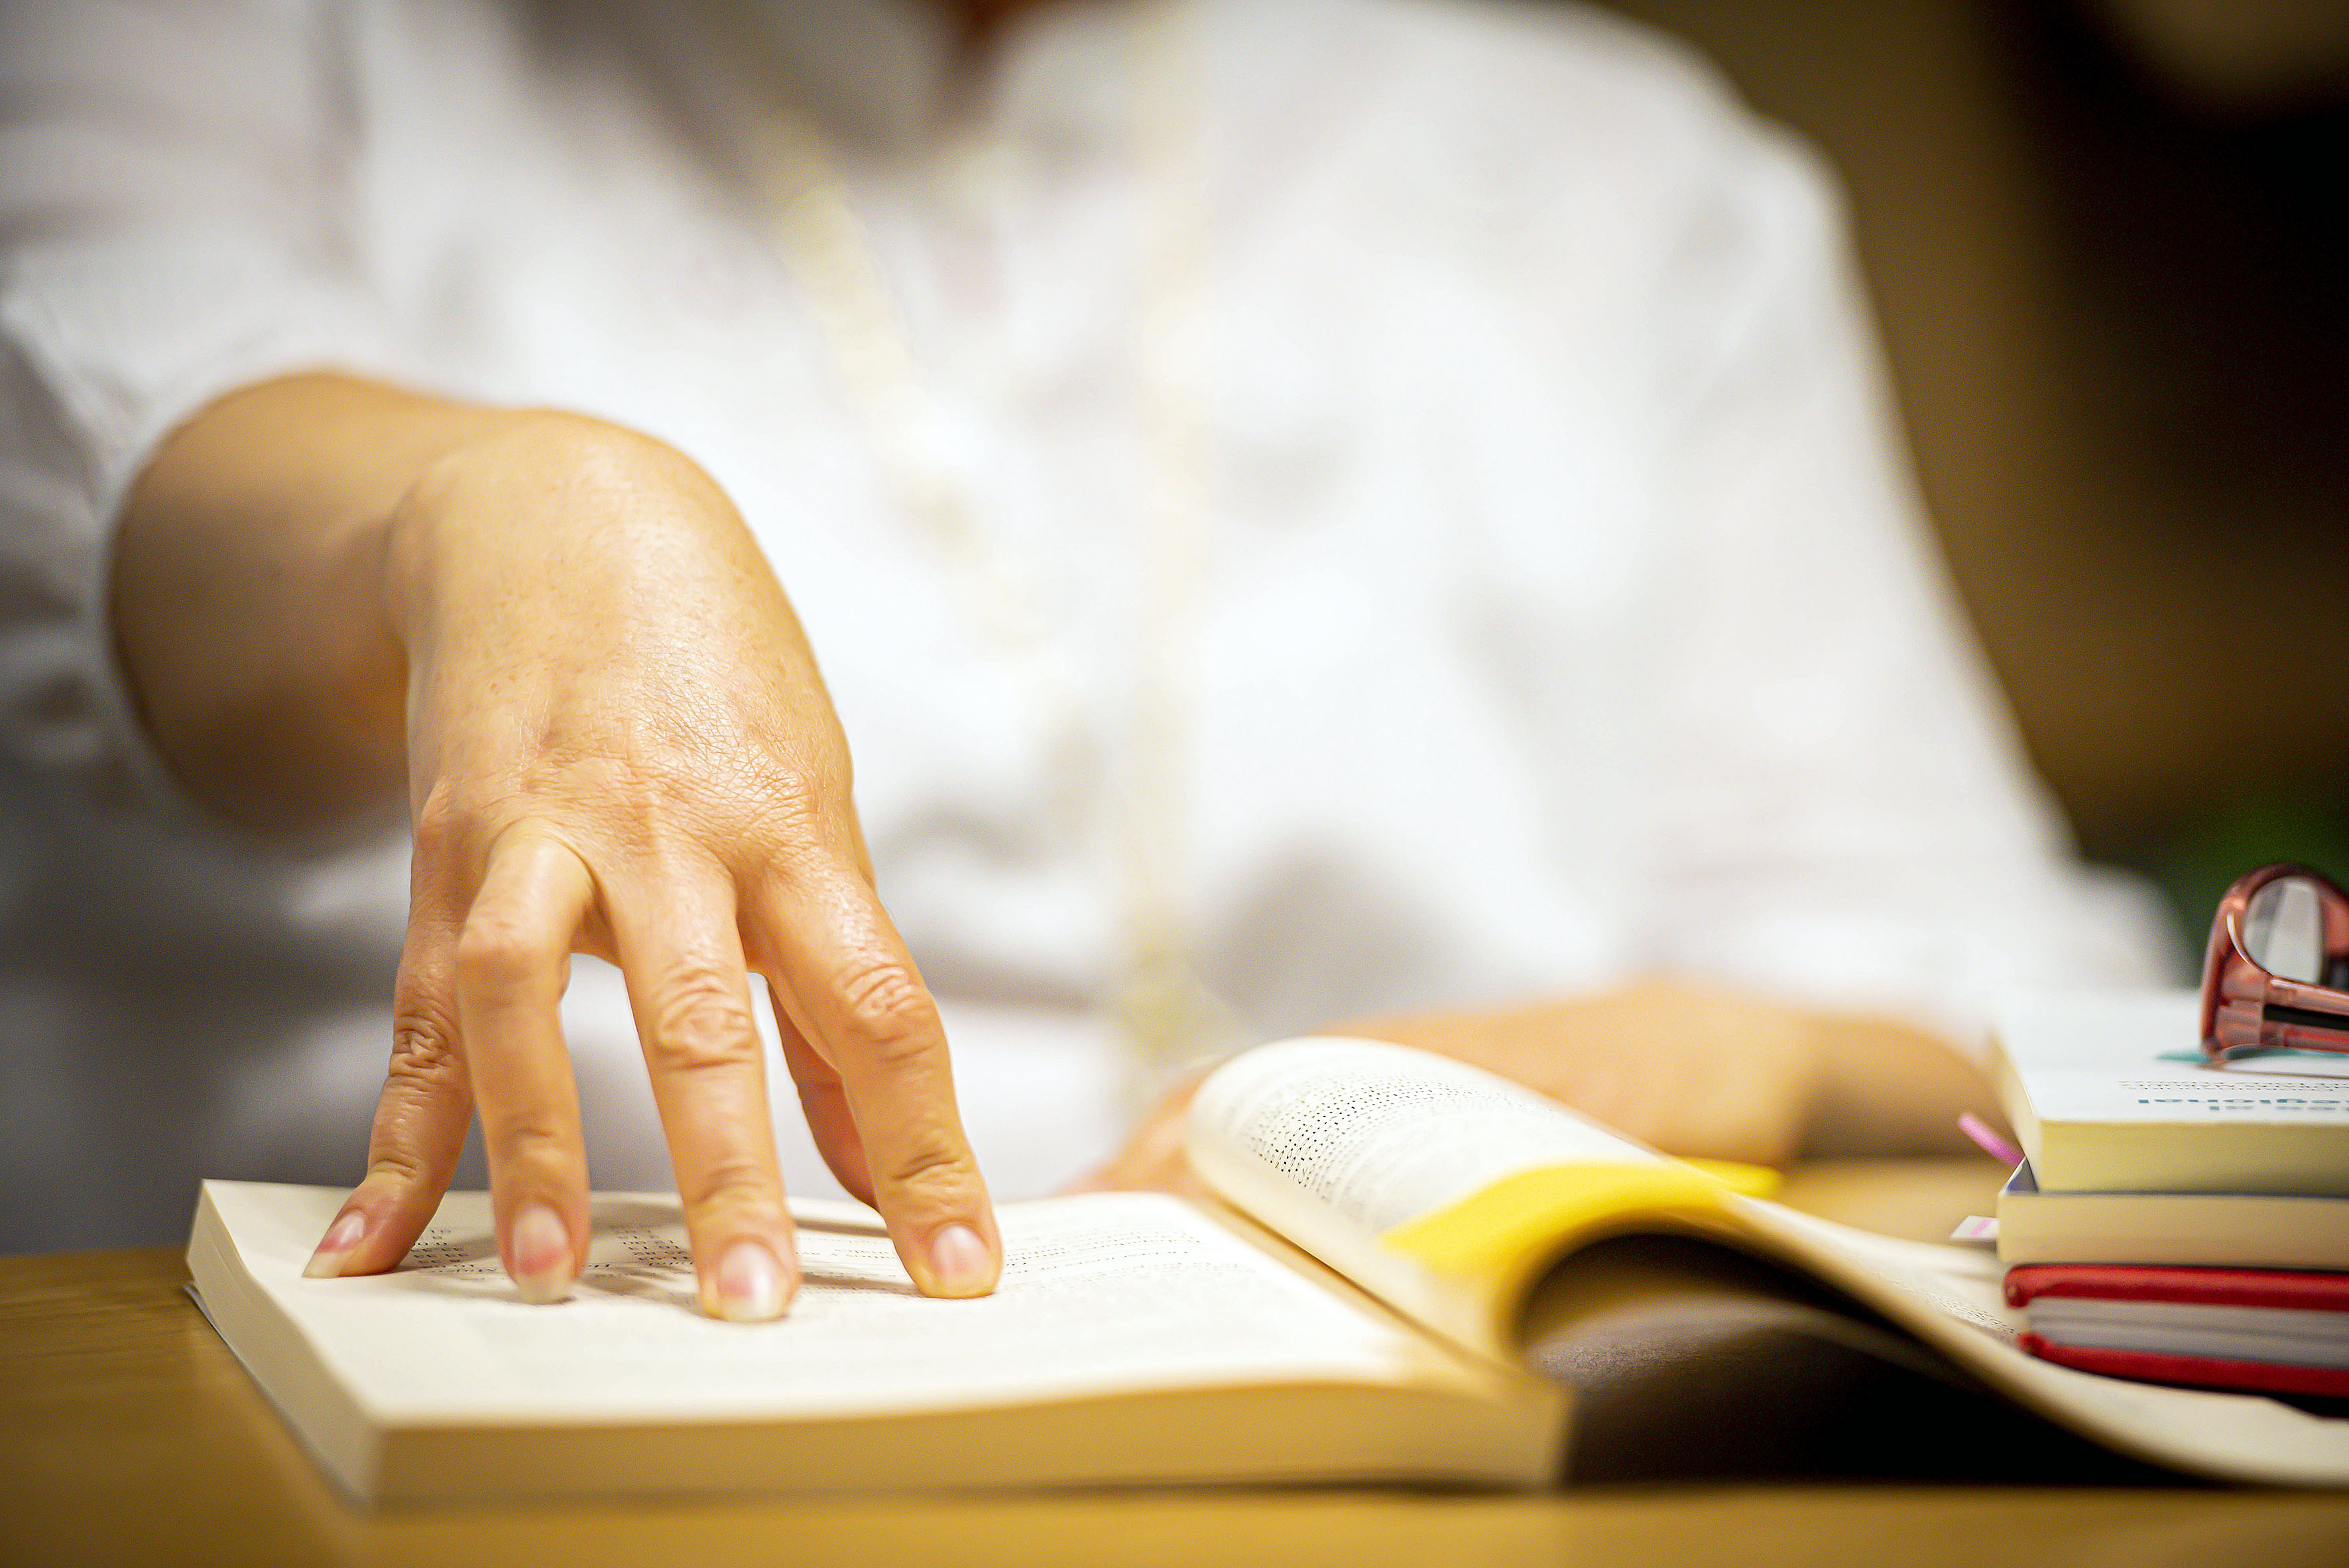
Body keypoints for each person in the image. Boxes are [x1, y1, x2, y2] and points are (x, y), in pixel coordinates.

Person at [0, 0, 2173, 1316]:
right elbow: (110, 491)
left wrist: (1737, 1050)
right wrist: (476, 507)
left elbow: (1988, 992)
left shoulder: (1633, 169)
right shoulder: (232, 42)